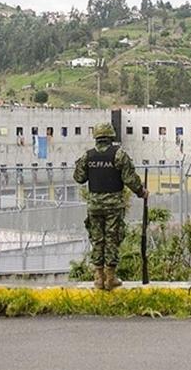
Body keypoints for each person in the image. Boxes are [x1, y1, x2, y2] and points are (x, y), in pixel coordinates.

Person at [73, 122, 147, 290]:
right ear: (111, 136)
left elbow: (79, 178)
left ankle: (99, 278)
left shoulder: (88, 156)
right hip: (113, 206)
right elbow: (130, 179)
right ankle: (110, 278)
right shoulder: (119, 154)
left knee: (97, 239)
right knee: (112, 239)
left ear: (96, 137)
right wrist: (141, 192)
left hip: (94, 206)